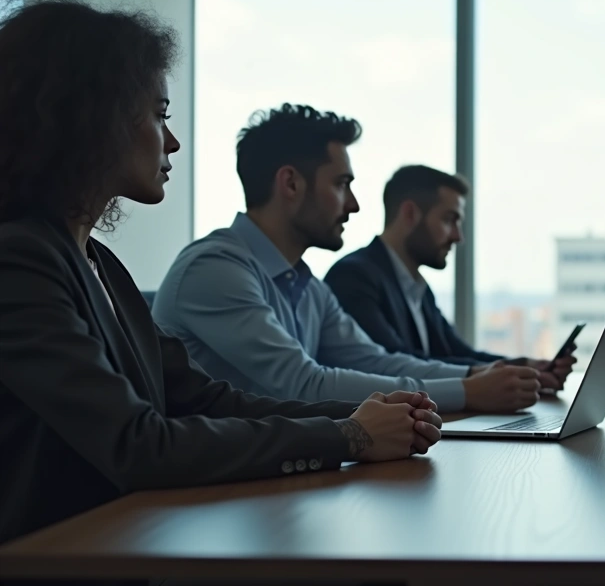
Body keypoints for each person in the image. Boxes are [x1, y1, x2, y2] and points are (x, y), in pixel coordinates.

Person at [0, 0, 442, 547]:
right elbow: (139, 445)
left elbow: (207, 398)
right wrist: (349, 436)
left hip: (126, 542)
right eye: (159, 116)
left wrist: (366, 413)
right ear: (91, 118)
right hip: (62, 561)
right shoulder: (19, 261)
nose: (174, 141)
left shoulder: (98, 263)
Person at [152, 104, 541, 415]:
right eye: (342, 185)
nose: (354, 205)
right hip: (204, 498)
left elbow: (376, 361)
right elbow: (304, 385)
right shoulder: (216, 269)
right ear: (290, 183)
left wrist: (479, 375)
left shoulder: (307, 286)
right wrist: (466, 391)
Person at [325, 165, 576, 387]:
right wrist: (510, 373)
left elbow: (456, 352)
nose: (458, 236)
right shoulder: (354, 277)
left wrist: (527, 367)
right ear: (410, 214)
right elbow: (396, 362)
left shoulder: (416, 287)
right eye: (449, 220)